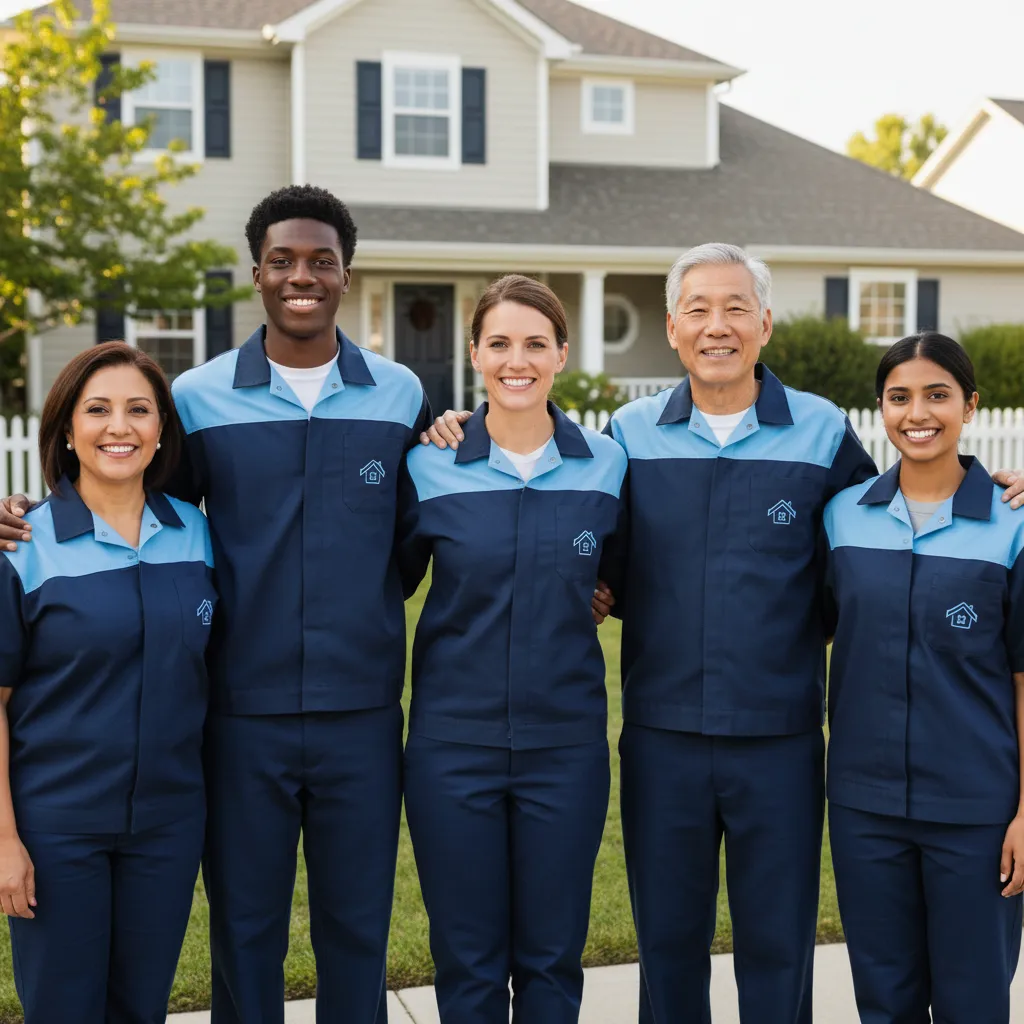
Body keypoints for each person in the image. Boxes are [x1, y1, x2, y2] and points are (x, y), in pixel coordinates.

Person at [422, 244, 1024, 1024]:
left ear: (765, 323)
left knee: (778, 952)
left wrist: (998, 479)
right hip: (661, 738)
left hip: (779, 742)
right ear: (672, 328)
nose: (718, 326)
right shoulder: (629, 438)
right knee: (668, 953)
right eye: (699, 310)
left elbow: (896, 515)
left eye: (737, 308)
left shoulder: (818, 432)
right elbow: (582, 540)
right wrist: (462, 425)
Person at [0, 185, 430, 1023]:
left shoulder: (400, 394)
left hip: (363, 718)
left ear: (347, 273)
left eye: (320, 261)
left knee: (357, 931)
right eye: (282, 260)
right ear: (257, 273)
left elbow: (415, 541)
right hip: (237, 723)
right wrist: (28, 511)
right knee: (246, 932)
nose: (300, 275)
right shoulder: (193, 400)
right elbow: (132, 494)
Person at [397, 275, 627, 1023]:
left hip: (564, 750)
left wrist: (601, 592)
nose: (516, 360)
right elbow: (381, 582)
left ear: (562, 353)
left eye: (535, 343)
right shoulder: (426, 465)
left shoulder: (608, 464)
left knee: (553, 960)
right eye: (499, 343)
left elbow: (631, 575)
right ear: (475, 353)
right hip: (450, 750)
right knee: (466, 960)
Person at [0, 343, 214, 1023]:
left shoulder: (198, 537)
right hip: (57, 828)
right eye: (98, 410)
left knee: (142, 1008)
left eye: (138, 410)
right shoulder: (23, 547)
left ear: (160, 433)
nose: (119, 427)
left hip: (168, 825)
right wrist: (5, 842)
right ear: (67, 429)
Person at [823, 333, 1024, 1022]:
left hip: (975, 811)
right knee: (884, 1001)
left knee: (973, 1003)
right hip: (863, 808)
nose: (919, 413)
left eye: (938, 395)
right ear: (879, 408)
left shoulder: (1013, 525)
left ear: (970, 406)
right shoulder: (842, 517)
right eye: (899, 397)